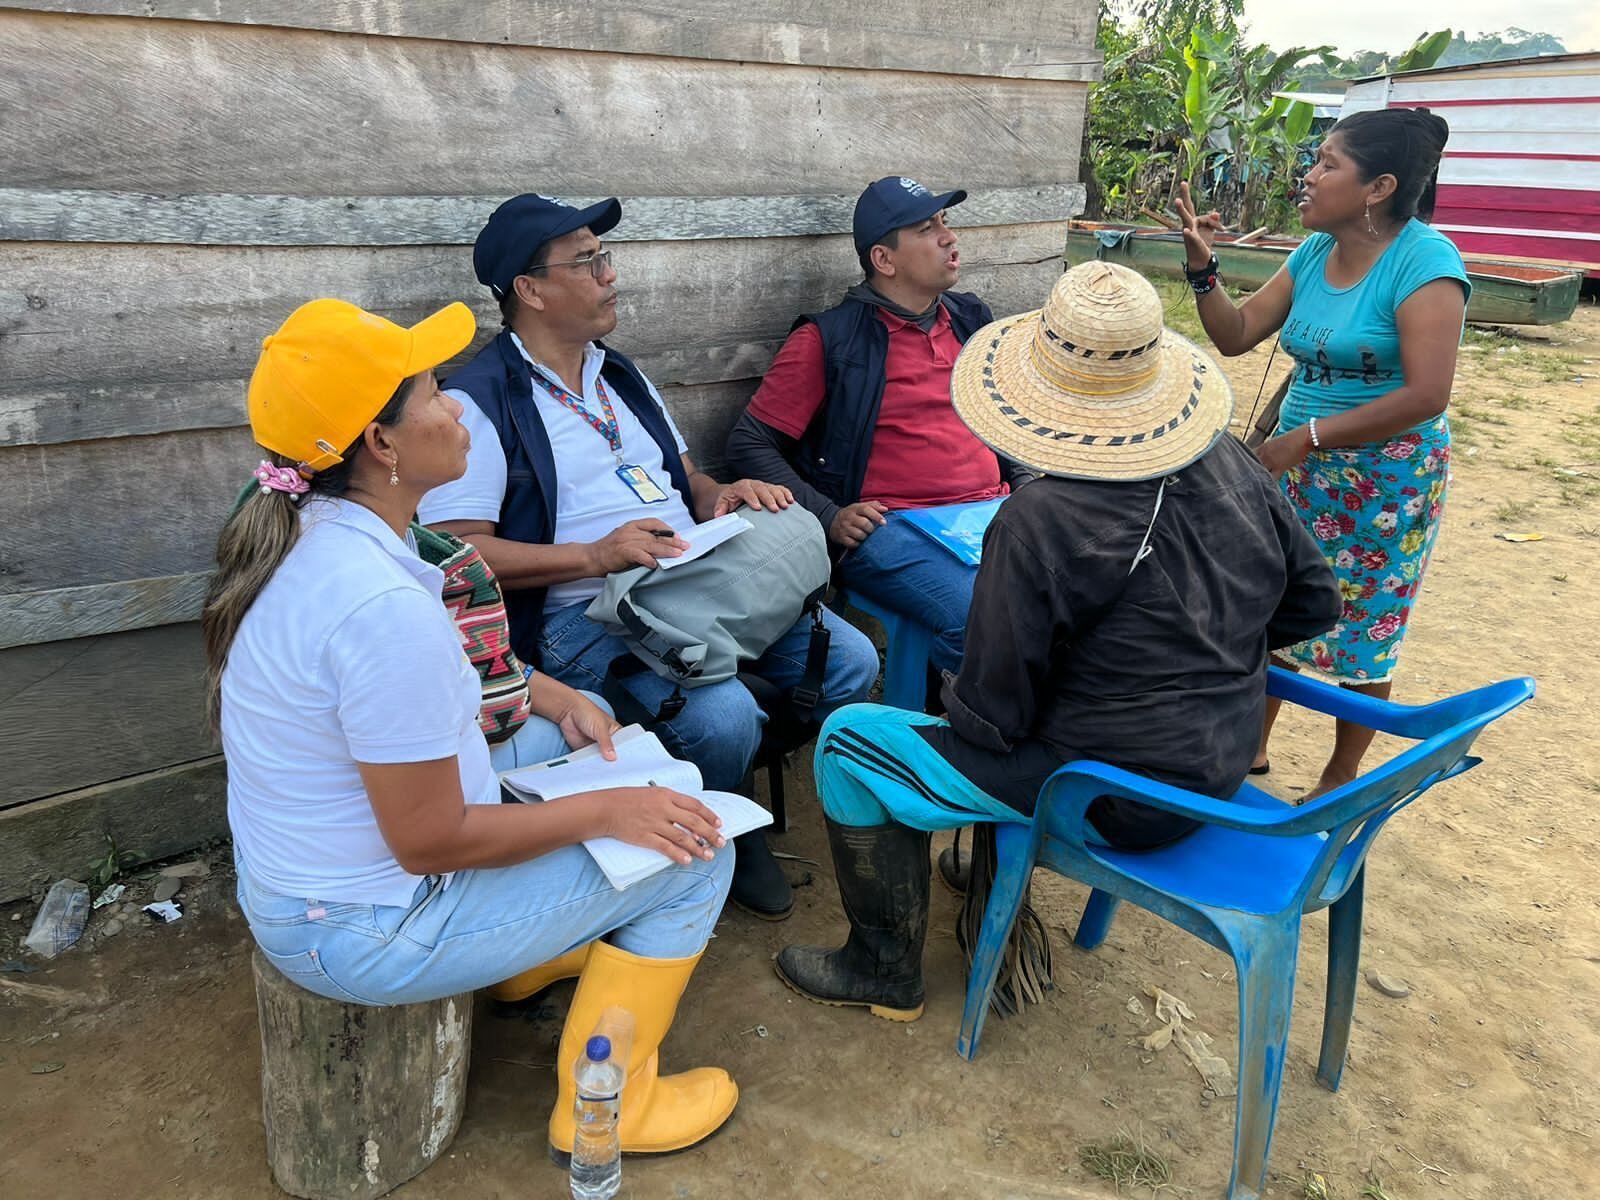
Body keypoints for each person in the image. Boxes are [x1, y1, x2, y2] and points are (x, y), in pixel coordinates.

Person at [205, 298, 738, 1161]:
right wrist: (607, 813)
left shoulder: (324, 533)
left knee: (561, 744)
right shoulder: (377, 605)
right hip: (364, 926)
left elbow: (431, 699)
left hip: (328, 879)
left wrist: (548, 690)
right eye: (433, 394)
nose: (457, 407)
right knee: (696, 856)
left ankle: (529, 955)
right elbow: (428, 838)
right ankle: (607, 1109)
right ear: (382, 444)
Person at [775, 262, 1342, 1021]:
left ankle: (881, 966)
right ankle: (974, 872)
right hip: (1220, 763)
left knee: (849, 740)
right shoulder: (1229, 460)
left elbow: (991, 717)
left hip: (1115, 798)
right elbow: (1314, 602)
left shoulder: (1040, 519)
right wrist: (1199, 645)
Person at [417, 194, 881, 920]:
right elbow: (462, 556)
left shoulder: (618, 374)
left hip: (696, 580)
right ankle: (729, 825)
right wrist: (593, 556)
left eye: (605, 255)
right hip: (587, 616)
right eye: (588, 260)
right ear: (531, 290)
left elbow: (684, 480)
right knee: (723, 716)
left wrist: (723, 496)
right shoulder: (479, 401)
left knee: (850, 661)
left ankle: (716, 787)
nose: (610, 273)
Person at [1174, 106, 1469, 798]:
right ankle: (1252, 746)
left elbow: (1428, 393)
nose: (1308, 176)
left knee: (1367, 617)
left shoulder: (1427, 263)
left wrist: (1304, 439)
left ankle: (1342, 771)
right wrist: (1201, 268)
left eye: (1329, 163)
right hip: (1293, 465)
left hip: (1385, 478)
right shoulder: (1311, 254)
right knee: (1272, 604)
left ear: (1379, 188)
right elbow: (1237, 333)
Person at [725, 176, 1021, 684]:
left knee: (1090, 582)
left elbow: (1006, 417)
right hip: (893, 527)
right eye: (928, 228)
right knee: (981, 615)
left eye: (946, 222)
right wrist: (827, 514)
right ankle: (964, 745)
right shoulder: (829, 339)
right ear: (884, 260)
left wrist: (1026, 481)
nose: (949, 237)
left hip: (990, 511)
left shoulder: (972, 320)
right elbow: (748, 443)